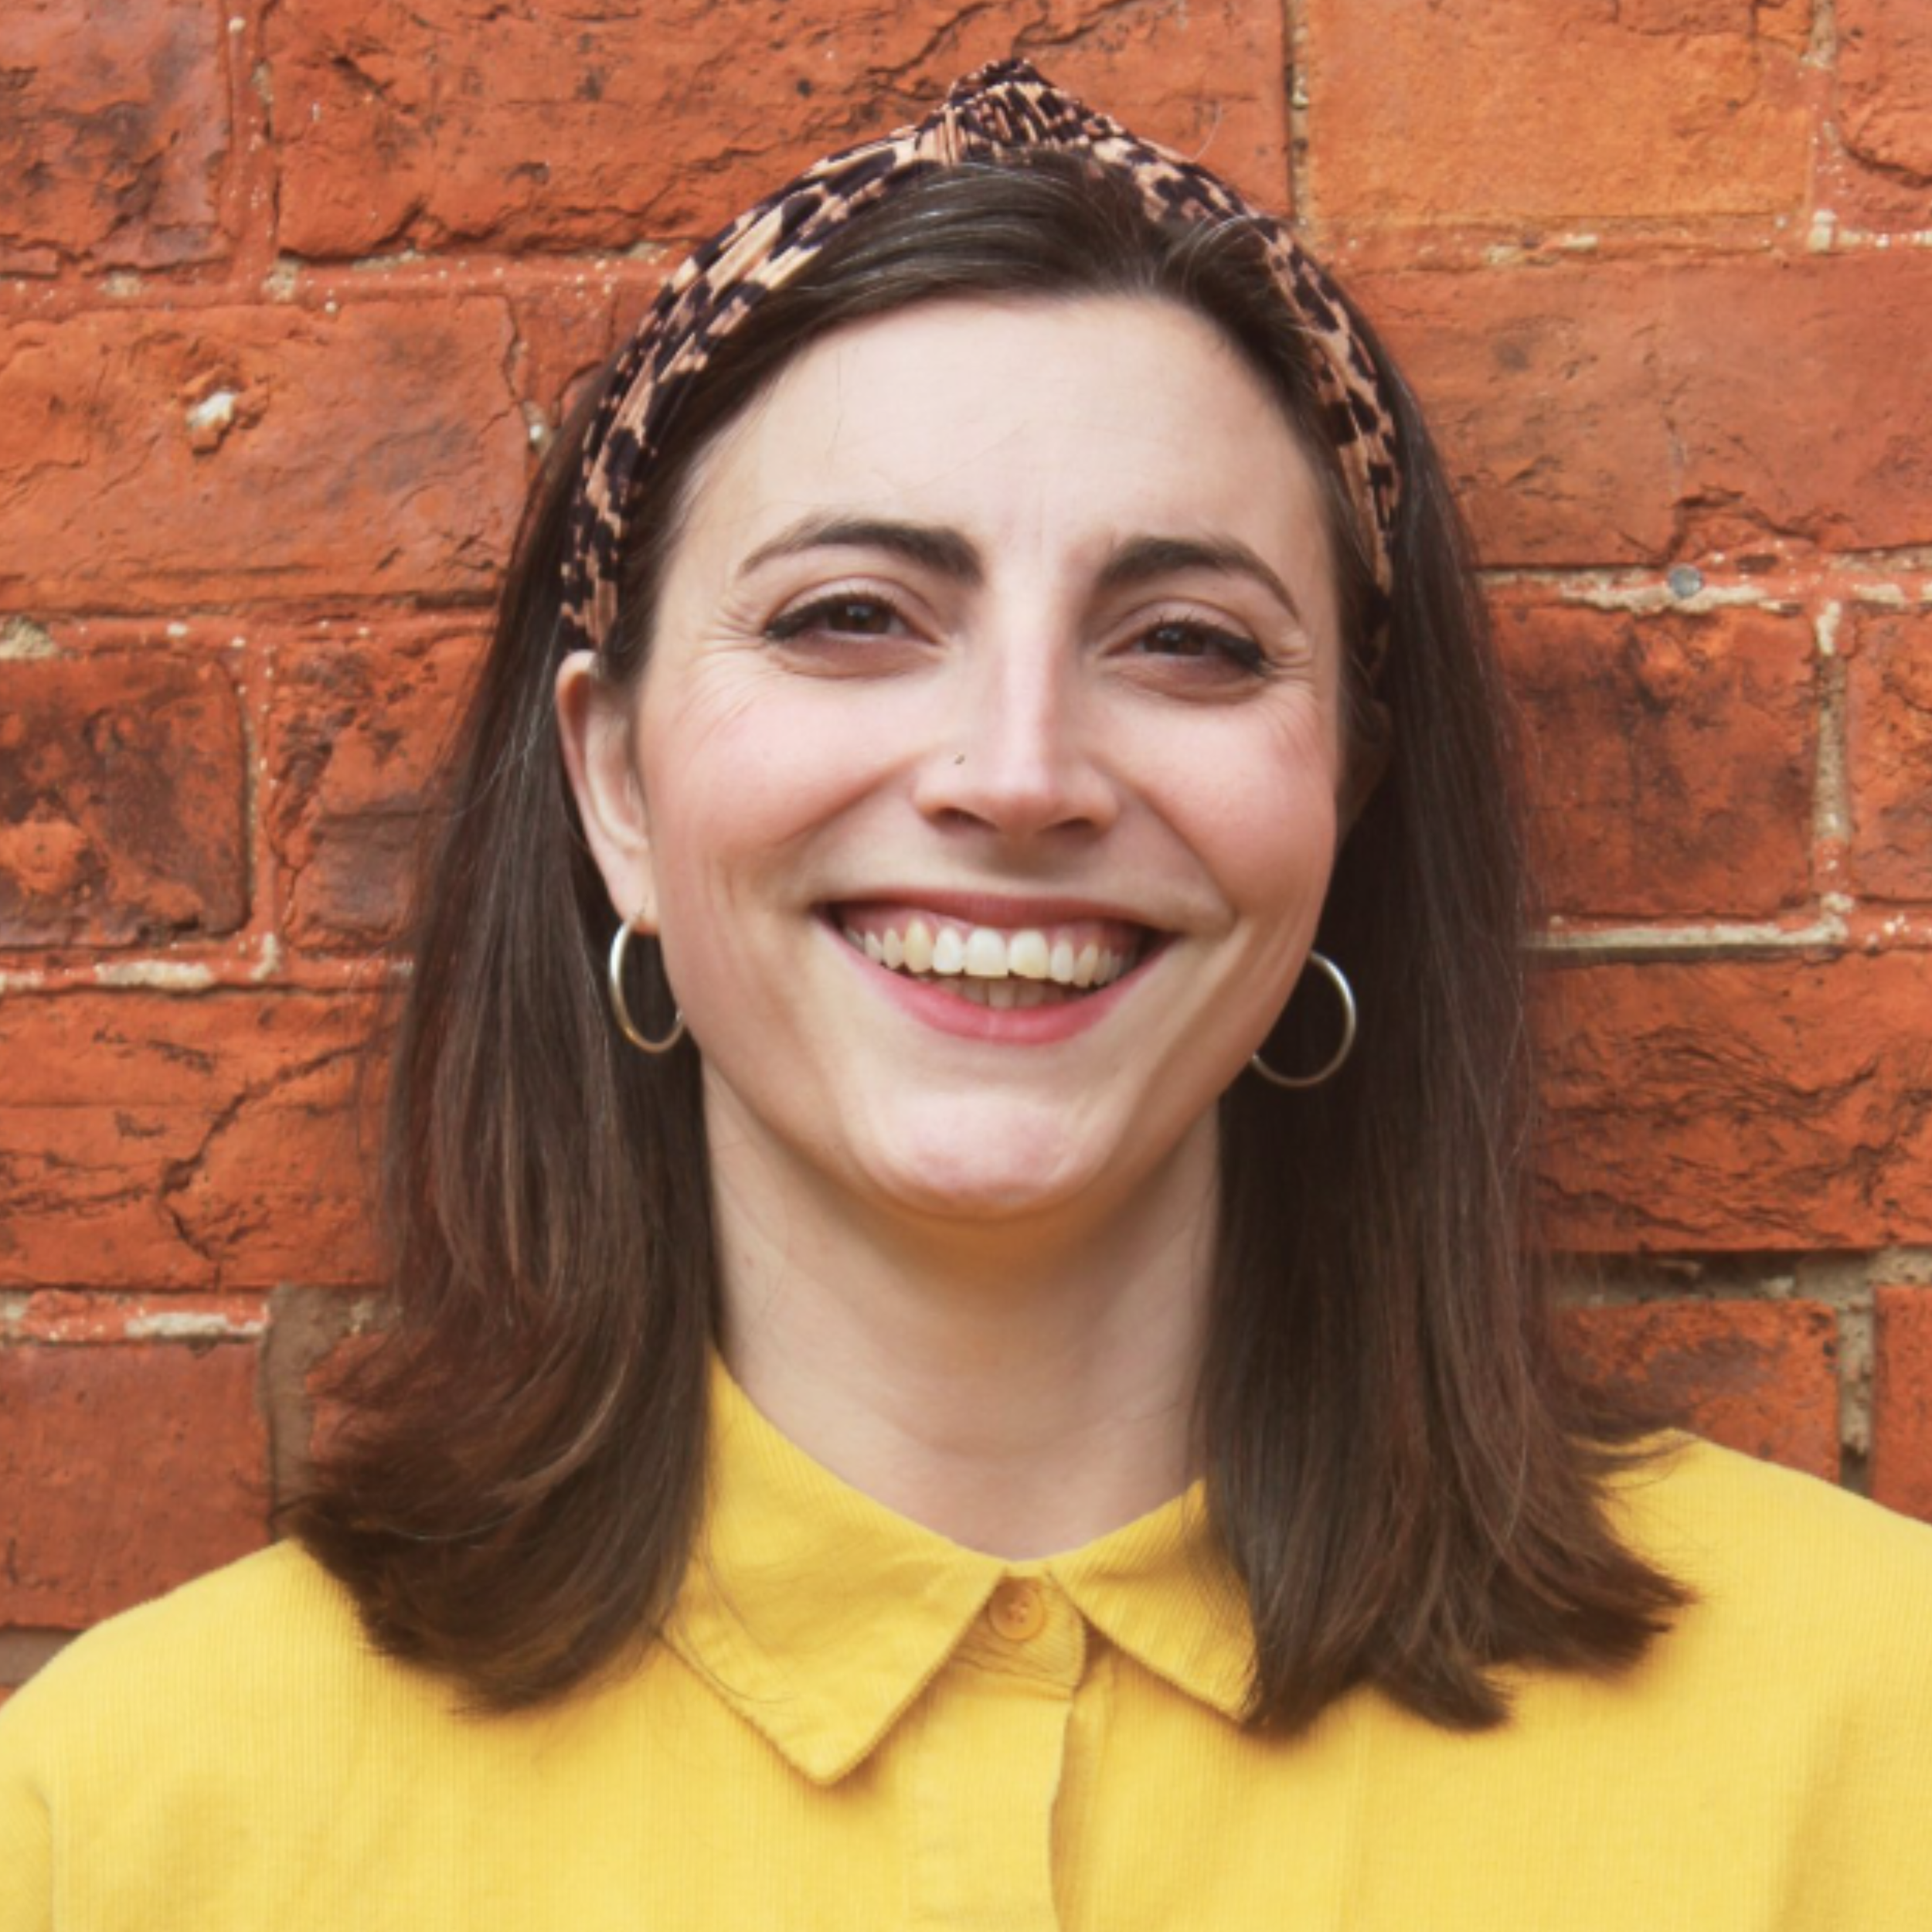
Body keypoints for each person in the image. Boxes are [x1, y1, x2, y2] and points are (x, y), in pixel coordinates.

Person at [3, 60, 1930, 1930]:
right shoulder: (126, 1830)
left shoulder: (1862, 1743)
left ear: (1338, 791)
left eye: (1183, 640)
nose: (1018, 771)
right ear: (615, 787)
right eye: (852, 616)